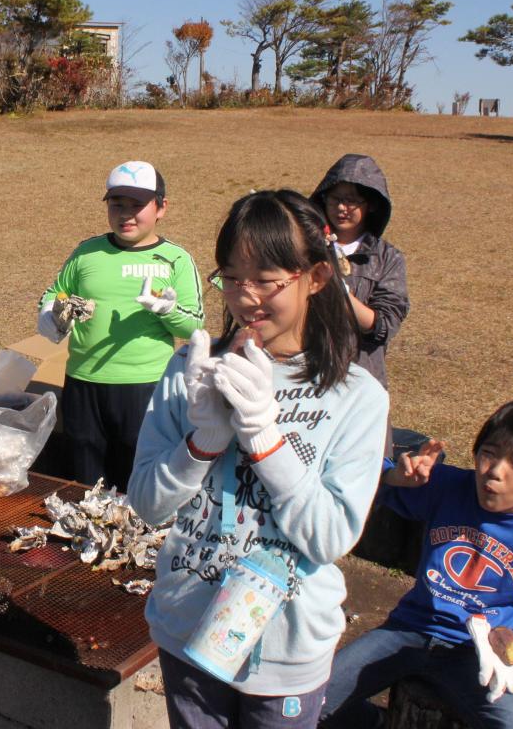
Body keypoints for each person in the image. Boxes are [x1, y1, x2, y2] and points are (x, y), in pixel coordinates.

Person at [127, 189, 389, 728]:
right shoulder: (192, 370)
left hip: (287, 648)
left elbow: (330, 536)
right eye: (231, 277)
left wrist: (265, 438)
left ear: (315, 277)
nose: (246, 299)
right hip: (186, 627)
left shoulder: (357, 395)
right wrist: (201, 442)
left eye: (267, 279)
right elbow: (149, 505)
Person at [319, 400, 513, 729]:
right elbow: (363, 480)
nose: (494, 471)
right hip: (407, 631)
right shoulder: (449, 487)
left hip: (479, 657)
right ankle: (375, 722)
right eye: (488, 453)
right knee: (304, 699)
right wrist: (393, 476)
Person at [36, 161, 204, 491]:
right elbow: (54, 295)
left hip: (147, 386)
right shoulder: (87, 252)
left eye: (137, 205)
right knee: (85, 480)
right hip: (84, 384)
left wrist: (167, 311)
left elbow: (194, 326)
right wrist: (53, 317)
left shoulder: (176, 259)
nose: (126, 215)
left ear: (161, 208)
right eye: (117, 204)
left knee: (139, 478)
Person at [310, 154, 408, 393]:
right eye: (335, 199)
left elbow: (384, 326)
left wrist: (340, 294)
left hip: (363, 382)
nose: (342, 208)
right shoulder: (306, 248)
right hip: (308, 377)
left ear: (372, 204)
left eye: (352, 201)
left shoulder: (387, 258)